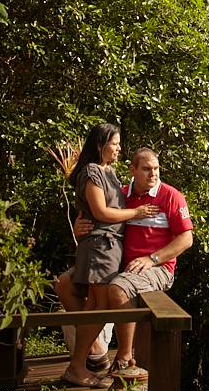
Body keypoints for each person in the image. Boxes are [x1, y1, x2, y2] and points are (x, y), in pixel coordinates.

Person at [66, 146, 193, 375]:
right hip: (117, 264)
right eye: (146, 169)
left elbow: (186, 239)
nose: (153, 174)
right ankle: (95, 348)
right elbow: (98, 215)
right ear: (132, 170)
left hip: (157, 267)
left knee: (117, 290)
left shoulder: (171, 196)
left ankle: (125, 356)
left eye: (156, 169)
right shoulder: (122, 195)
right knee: (64, 285)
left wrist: (153, 259)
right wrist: (78, 227)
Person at [61, 124, 160, 387]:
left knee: (96, 307)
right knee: (99, 306)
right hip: (100, 247)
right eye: (114, 143)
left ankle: (79, 365)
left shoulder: (109, 172)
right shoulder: (93, 172)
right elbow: (101, 212)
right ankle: (77, 367)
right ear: (99, 145)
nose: (118, 148)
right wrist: (136, 214)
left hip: (109, 247)